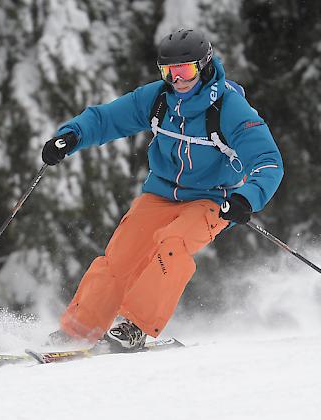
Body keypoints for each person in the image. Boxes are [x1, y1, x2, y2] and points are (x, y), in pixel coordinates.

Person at [41, 28, 283, 350]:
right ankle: (80, 330)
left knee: (173, 243)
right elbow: (105, 119)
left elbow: (268, 162)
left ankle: (136, 327)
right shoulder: (158, 99)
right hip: (161, 193)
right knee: (120, 256)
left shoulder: (230, 108)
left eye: (185, 70)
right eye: (169, 71)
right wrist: (71, 136)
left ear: (204, 65)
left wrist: (246, 198)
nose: (177, 80)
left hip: (213, 199)